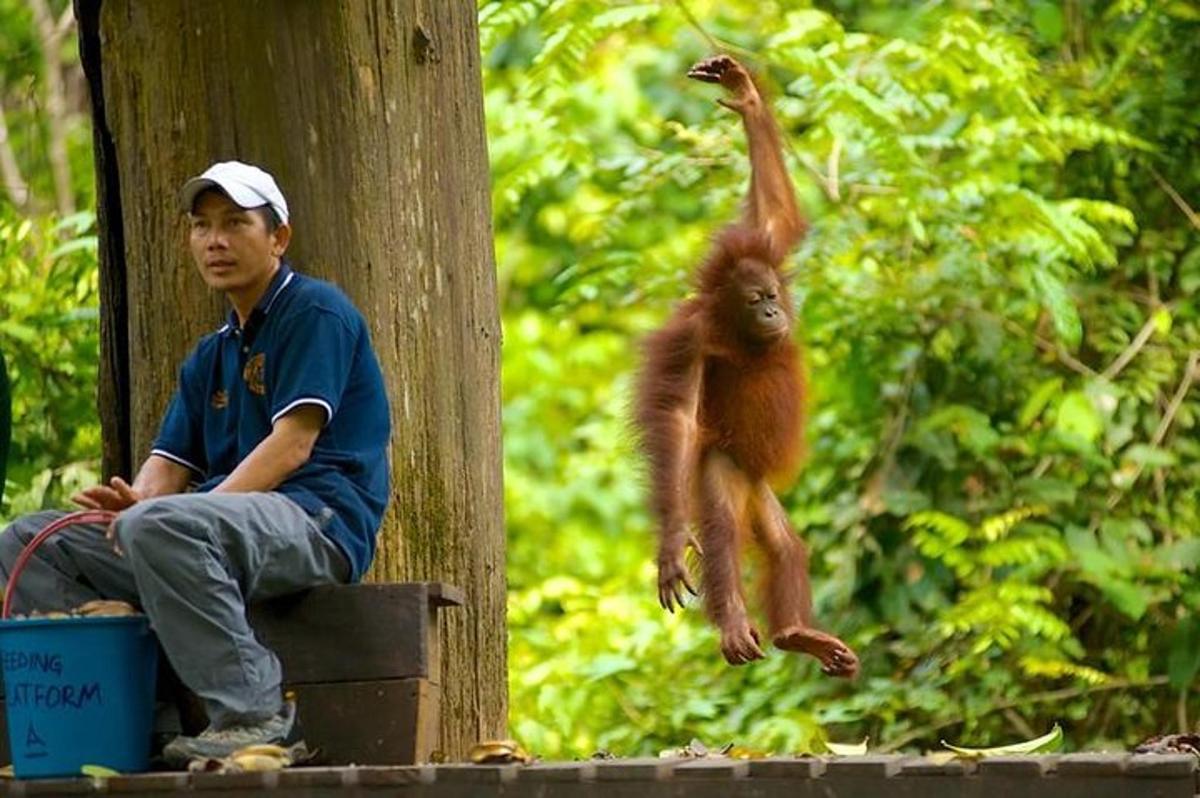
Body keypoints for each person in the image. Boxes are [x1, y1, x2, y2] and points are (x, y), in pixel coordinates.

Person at [0, 161, 392, 765]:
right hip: (215, 529)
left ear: (278, 237)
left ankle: (255, 714)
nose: (215, 240)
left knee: (154, 525)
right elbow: (163, 473)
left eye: (236, 223)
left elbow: (292, 446)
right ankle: (143, 713)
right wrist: (133, 505)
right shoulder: (211, 353)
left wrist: (163, 516)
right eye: (202, 226)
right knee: (29, 541)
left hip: (317, 520)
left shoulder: (315, 312)